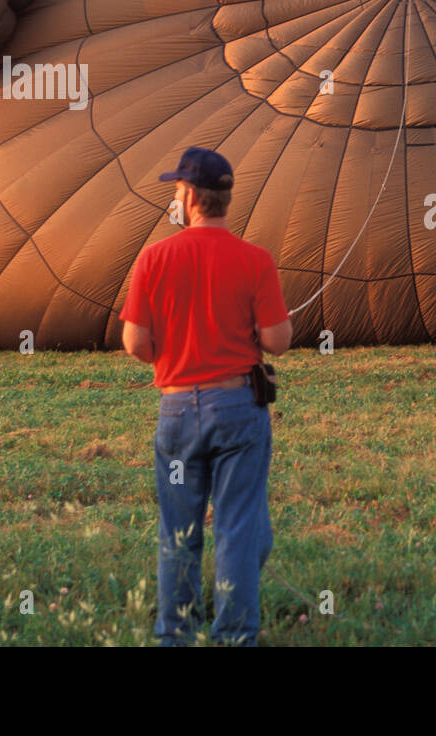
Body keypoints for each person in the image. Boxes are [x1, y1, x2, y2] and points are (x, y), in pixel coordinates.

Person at [119, 146, 292, 646]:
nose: (175, 197)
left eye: (176, 189)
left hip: (177, 411)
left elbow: (135, 342)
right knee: (237, 526)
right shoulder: (255, 259)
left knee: (179, 529)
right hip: (238, 409)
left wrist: (169, 354)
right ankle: (235, 636)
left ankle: (175, 634)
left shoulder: (154, 257)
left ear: (191, 197)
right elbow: (277, 340)